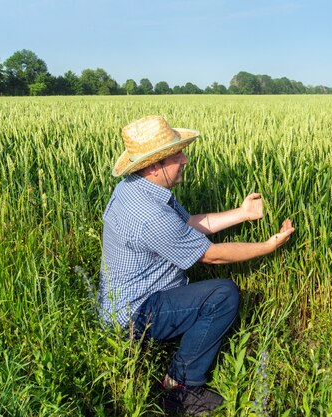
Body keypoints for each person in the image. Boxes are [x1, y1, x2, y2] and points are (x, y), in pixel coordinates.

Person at [98, 115, 295, 415]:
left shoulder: (136, 189)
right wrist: (268, 246)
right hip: (134, 314)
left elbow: (188, 224)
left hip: (128, 300)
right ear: (154, 166)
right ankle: (180, 386)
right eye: (177, 155)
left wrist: (241, 214)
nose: (185, 159)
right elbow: (211, 255)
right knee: (222, 295)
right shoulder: (149, 214)